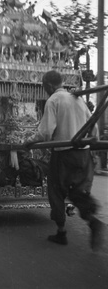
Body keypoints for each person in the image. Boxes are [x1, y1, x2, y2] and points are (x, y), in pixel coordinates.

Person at [24, 70, 104, 251]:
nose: (45, 90)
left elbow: (45, 132)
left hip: (64, 155)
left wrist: (28, 141)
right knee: (77, 192)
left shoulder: (53, 100)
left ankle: (61, 232)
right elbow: (94, 128)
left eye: (44, 86)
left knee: (56, 191)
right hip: (84, 155)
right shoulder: (77, 99)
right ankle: (92, 220)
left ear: (49, 85)